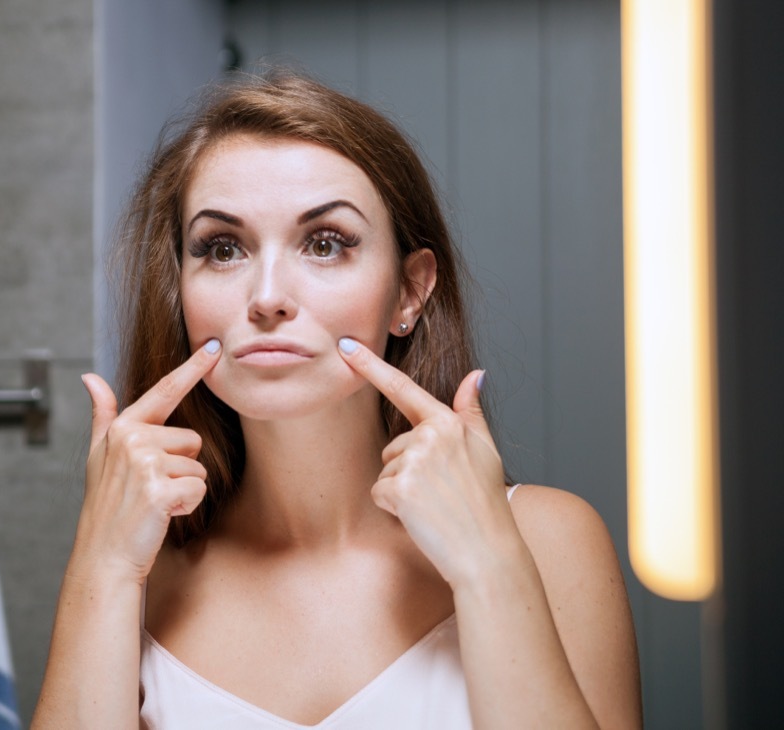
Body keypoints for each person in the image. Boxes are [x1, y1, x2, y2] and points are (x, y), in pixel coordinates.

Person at [32, 70, 641, 729]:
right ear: (181, 292)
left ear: (409, 292)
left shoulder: (549, 540)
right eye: (223, 248)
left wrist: (487, 566)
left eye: (325, 244)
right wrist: (105, 567)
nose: (267, 297)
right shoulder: (140, 573)